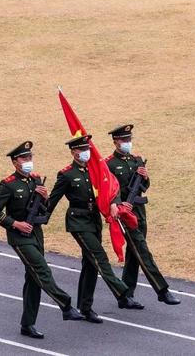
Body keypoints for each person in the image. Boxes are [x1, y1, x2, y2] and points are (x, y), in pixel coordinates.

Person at [0, 141, 84, 339]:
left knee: (33, 279)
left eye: (30, 157)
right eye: (24, 158)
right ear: (15, 162)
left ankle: (27, 324)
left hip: (36, 234)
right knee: (42, 269)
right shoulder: (8, 185)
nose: (28, 161)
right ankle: (65, 304)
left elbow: (44, 210)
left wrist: (45, 197)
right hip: (19, 237)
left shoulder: (36, 180)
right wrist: (15, 224)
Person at [46, 134, 144, 324]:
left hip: (94, 220)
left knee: (90, 264)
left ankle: (86, 307)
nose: (86, 152)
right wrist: (40, 218)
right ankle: (122, 293)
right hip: (78, 222)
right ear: (74, 152)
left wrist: (115, 203)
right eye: (82, 150)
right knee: (99, 256)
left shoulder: (95, 170)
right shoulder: (66, 174)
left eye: (88, 149)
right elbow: (53, 200)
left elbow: (111, 188)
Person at [106, 124, 180, 305]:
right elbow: (108, 189)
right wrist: (117, 204)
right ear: (115, 141)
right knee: (142, 251)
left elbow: (144, 187)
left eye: (129, 139)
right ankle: (162, 290)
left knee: (134, 253)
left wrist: (145, 177)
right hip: (124, 214)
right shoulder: (108, 164)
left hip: (139, 211)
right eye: (124, 140)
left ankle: (126, 294)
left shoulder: (136, 159)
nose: (127, 143)